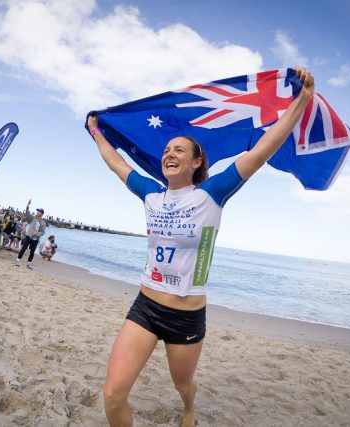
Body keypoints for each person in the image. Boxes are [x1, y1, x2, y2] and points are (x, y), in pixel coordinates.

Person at [88, 66, 315, 427]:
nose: (169, 153)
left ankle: (189, 406)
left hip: (186, 316)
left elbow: (263, 148)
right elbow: (116, 162)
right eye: (166, 150)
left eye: (179, 149)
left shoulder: (212, 193)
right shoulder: (150, 193)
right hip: (145, 307)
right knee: (113, 395)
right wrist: (96, 131)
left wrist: (301, 101)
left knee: (183, 385)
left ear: (196, 162)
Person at [15, 199, 47, 269]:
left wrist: (37, 233)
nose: (37, 212)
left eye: (39, 211)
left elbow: (43, 232)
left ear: (42, 214)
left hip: (35, 239)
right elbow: (27, 213)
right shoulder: (33, 218)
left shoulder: (43, 222)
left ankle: (28, 265)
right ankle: (17, 262)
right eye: (37, 211)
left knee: (32, 252)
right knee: (23, 249)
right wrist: (28, 204)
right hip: (28, 236)